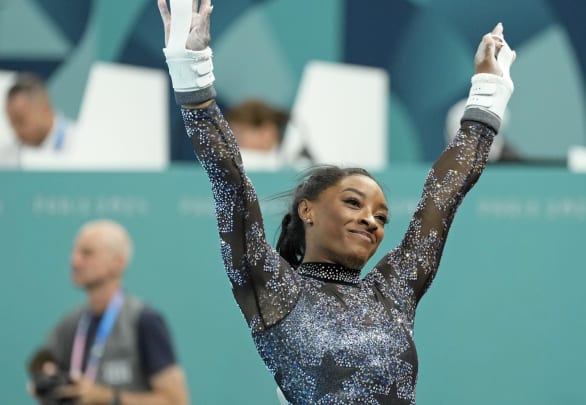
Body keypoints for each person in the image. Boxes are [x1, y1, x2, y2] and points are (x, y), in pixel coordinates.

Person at [158, 0, 515, 403]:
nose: (371, 221)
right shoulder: (274, 288)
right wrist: (193, 74)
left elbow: (442, 197)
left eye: (381, 216)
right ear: (306, 209)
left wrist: (488, 91)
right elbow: (230, 180)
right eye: (353, 203)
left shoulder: (391, 292)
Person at [27, 219, 189, 405]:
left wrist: (108, 397)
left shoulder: (144, 320)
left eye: (87, 253)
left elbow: (177, 401)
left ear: (117, 262)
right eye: (74, 252)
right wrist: (45, 377)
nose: (74, 260)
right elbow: (41, 359)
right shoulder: (72, 322)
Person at [1, 72, 75, 168]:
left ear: (45, 109)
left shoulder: (83, 146)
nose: (17, 132)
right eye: (12, 124)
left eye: (20, 121)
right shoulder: (6, 159)